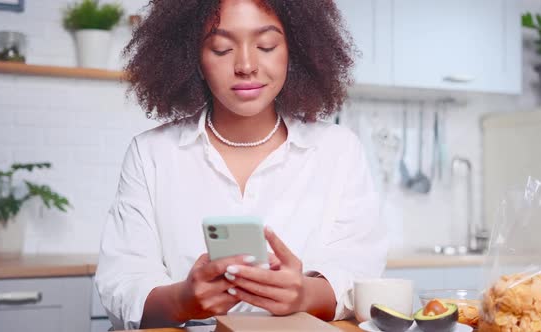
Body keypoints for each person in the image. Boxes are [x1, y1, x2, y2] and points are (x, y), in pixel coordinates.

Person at [95, 0, 388, 330]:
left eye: (266, 45)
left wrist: (305, 294)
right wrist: (182, 301)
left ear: (295, 50)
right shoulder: (151, 154)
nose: (246, 65)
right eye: (221, 49)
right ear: (194, 59)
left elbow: (360, 268)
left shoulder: (338, 150)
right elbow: (122, 280)